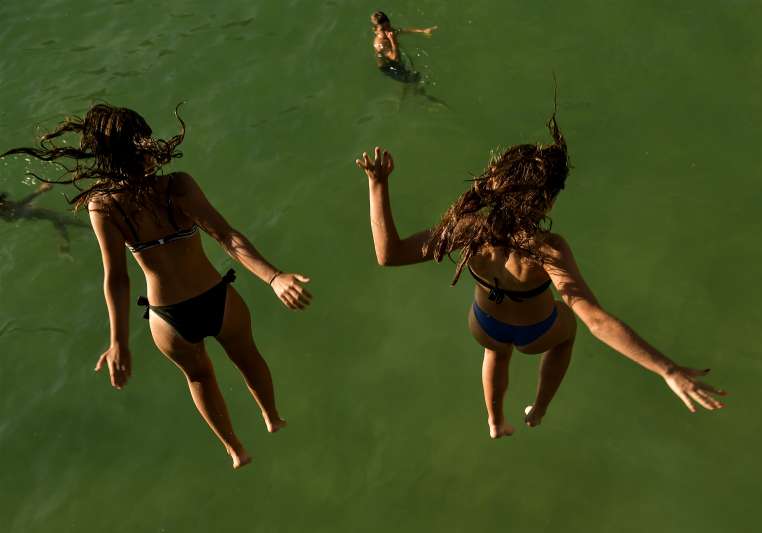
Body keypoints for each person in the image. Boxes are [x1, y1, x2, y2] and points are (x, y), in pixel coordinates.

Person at [355, 115, 726, 439]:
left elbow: (389, 255)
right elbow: (596, 321)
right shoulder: (547, 249)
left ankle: (495, 421)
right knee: (568, 331)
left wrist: (378, 186)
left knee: (495, 351)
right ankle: (539, 408)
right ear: (544, 203)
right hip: (536, 335)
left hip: (484, 324)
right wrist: (668, 369)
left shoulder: (469, 229)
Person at [2, 104, 313, 468]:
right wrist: (273, 277)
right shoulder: (176, 185)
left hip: (167, 318)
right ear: (141, 144)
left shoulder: (102, 205)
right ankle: (271, 417)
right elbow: (226, 237)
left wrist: (118, 341)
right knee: (246, 354)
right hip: (217, 298)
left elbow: (117, 277)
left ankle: (235, 449)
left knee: (199, 377)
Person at [0, 181, 86, 253]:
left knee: (57, 219)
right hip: (33, 212)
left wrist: (39, 191)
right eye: (2, 201)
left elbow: (19, 204)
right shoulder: (7, 212)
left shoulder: (7, 209)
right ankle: (67, 242)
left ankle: (65, 244)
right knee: (59, 219)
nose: (5, 202)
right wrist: (39, 191)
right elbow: (18, 207)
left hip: (32, 212)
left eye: (3, 200)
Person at [371, 10, 437, 84]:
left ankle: (407, 88)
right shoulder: (380, 44)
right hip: (388, 67)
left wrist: (423, 31)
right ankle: (410, 91)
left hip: (393, 59)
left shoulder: (390, 31)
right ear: (375, 31)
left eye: (388, 26)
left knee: (411, 73)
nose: (388, 31)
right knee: (414, 79)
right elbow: (396, 59)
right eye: (383, 29)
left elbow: (403, 31)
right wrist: (393, 40)